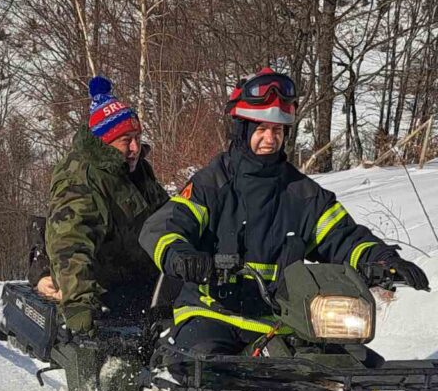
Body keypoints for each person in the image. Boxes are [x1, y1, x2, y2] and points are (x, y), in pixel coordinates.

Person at [140, 67, 430, 356]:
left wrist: (382, 259)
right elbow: (163, 229)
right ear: (243, 131)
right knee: (204, 376)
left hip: (283, 322)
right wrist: (184, 258)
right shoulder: (211, 184)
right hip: (212, 315)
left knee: (347, 374)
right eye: (261, 129)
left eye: (277, 130)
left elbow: (343, 238)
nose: (269, 139)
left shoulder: (303, 194)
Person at [42, 76, 169, 333]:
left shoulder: (136, 169)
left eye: (137, 136)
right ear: (105, 141)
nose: (135, 147)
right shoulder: (81, 177)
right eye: (126, 140)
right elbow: (70, 240)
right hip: (106, 290)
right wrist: (79, 304)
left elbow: (164, 213)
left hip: (144, 280)